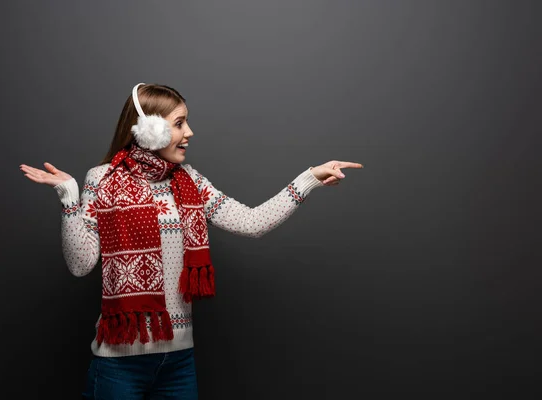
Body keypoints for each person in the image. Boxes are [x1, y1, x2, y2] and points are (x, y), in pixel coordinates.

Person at [19, 83, 363, 399]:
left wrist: (310, 179)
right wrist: (69, 198)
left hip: (179, 362)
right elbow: (81, 265)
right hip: (118, 365)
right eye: (180, 123)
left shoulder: (190, 182)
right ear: (150, 130)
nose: (189, 132)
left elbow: (252, 222)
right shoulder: (102, 180)